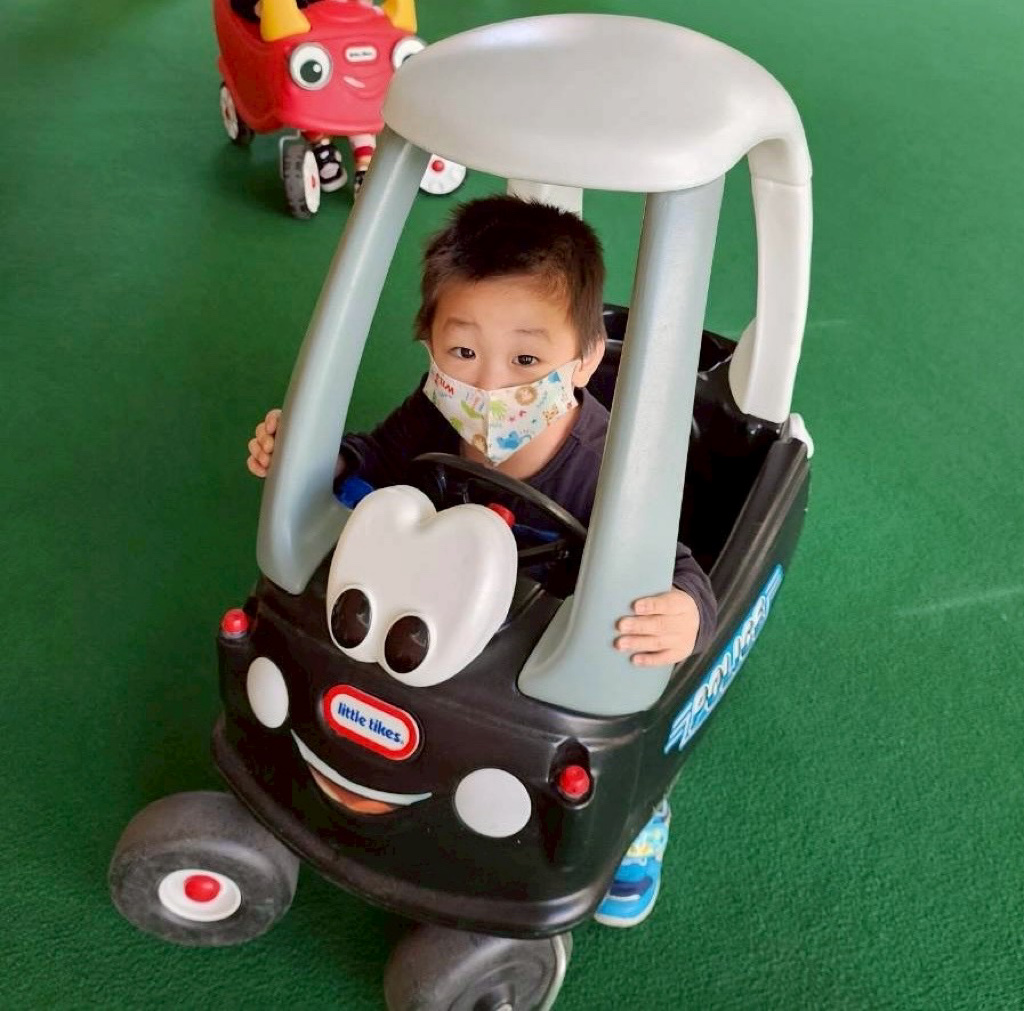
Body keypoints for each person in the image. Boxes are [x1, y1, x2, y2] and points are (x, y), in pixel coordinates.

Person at [246, 195, 718, 927]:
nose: (490, 386)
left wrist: (686, 612)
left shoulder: (609, 468)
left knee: (634, 693)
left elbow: (680, 569)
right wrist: (319, 459)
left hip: (551, 653)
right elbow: (372, 459)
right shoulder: (437, 411)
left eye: (527, 360)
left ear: (586, 359)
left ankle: (642, 811)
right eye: (462, 352)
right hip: (442, 624)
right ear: (430, 342)